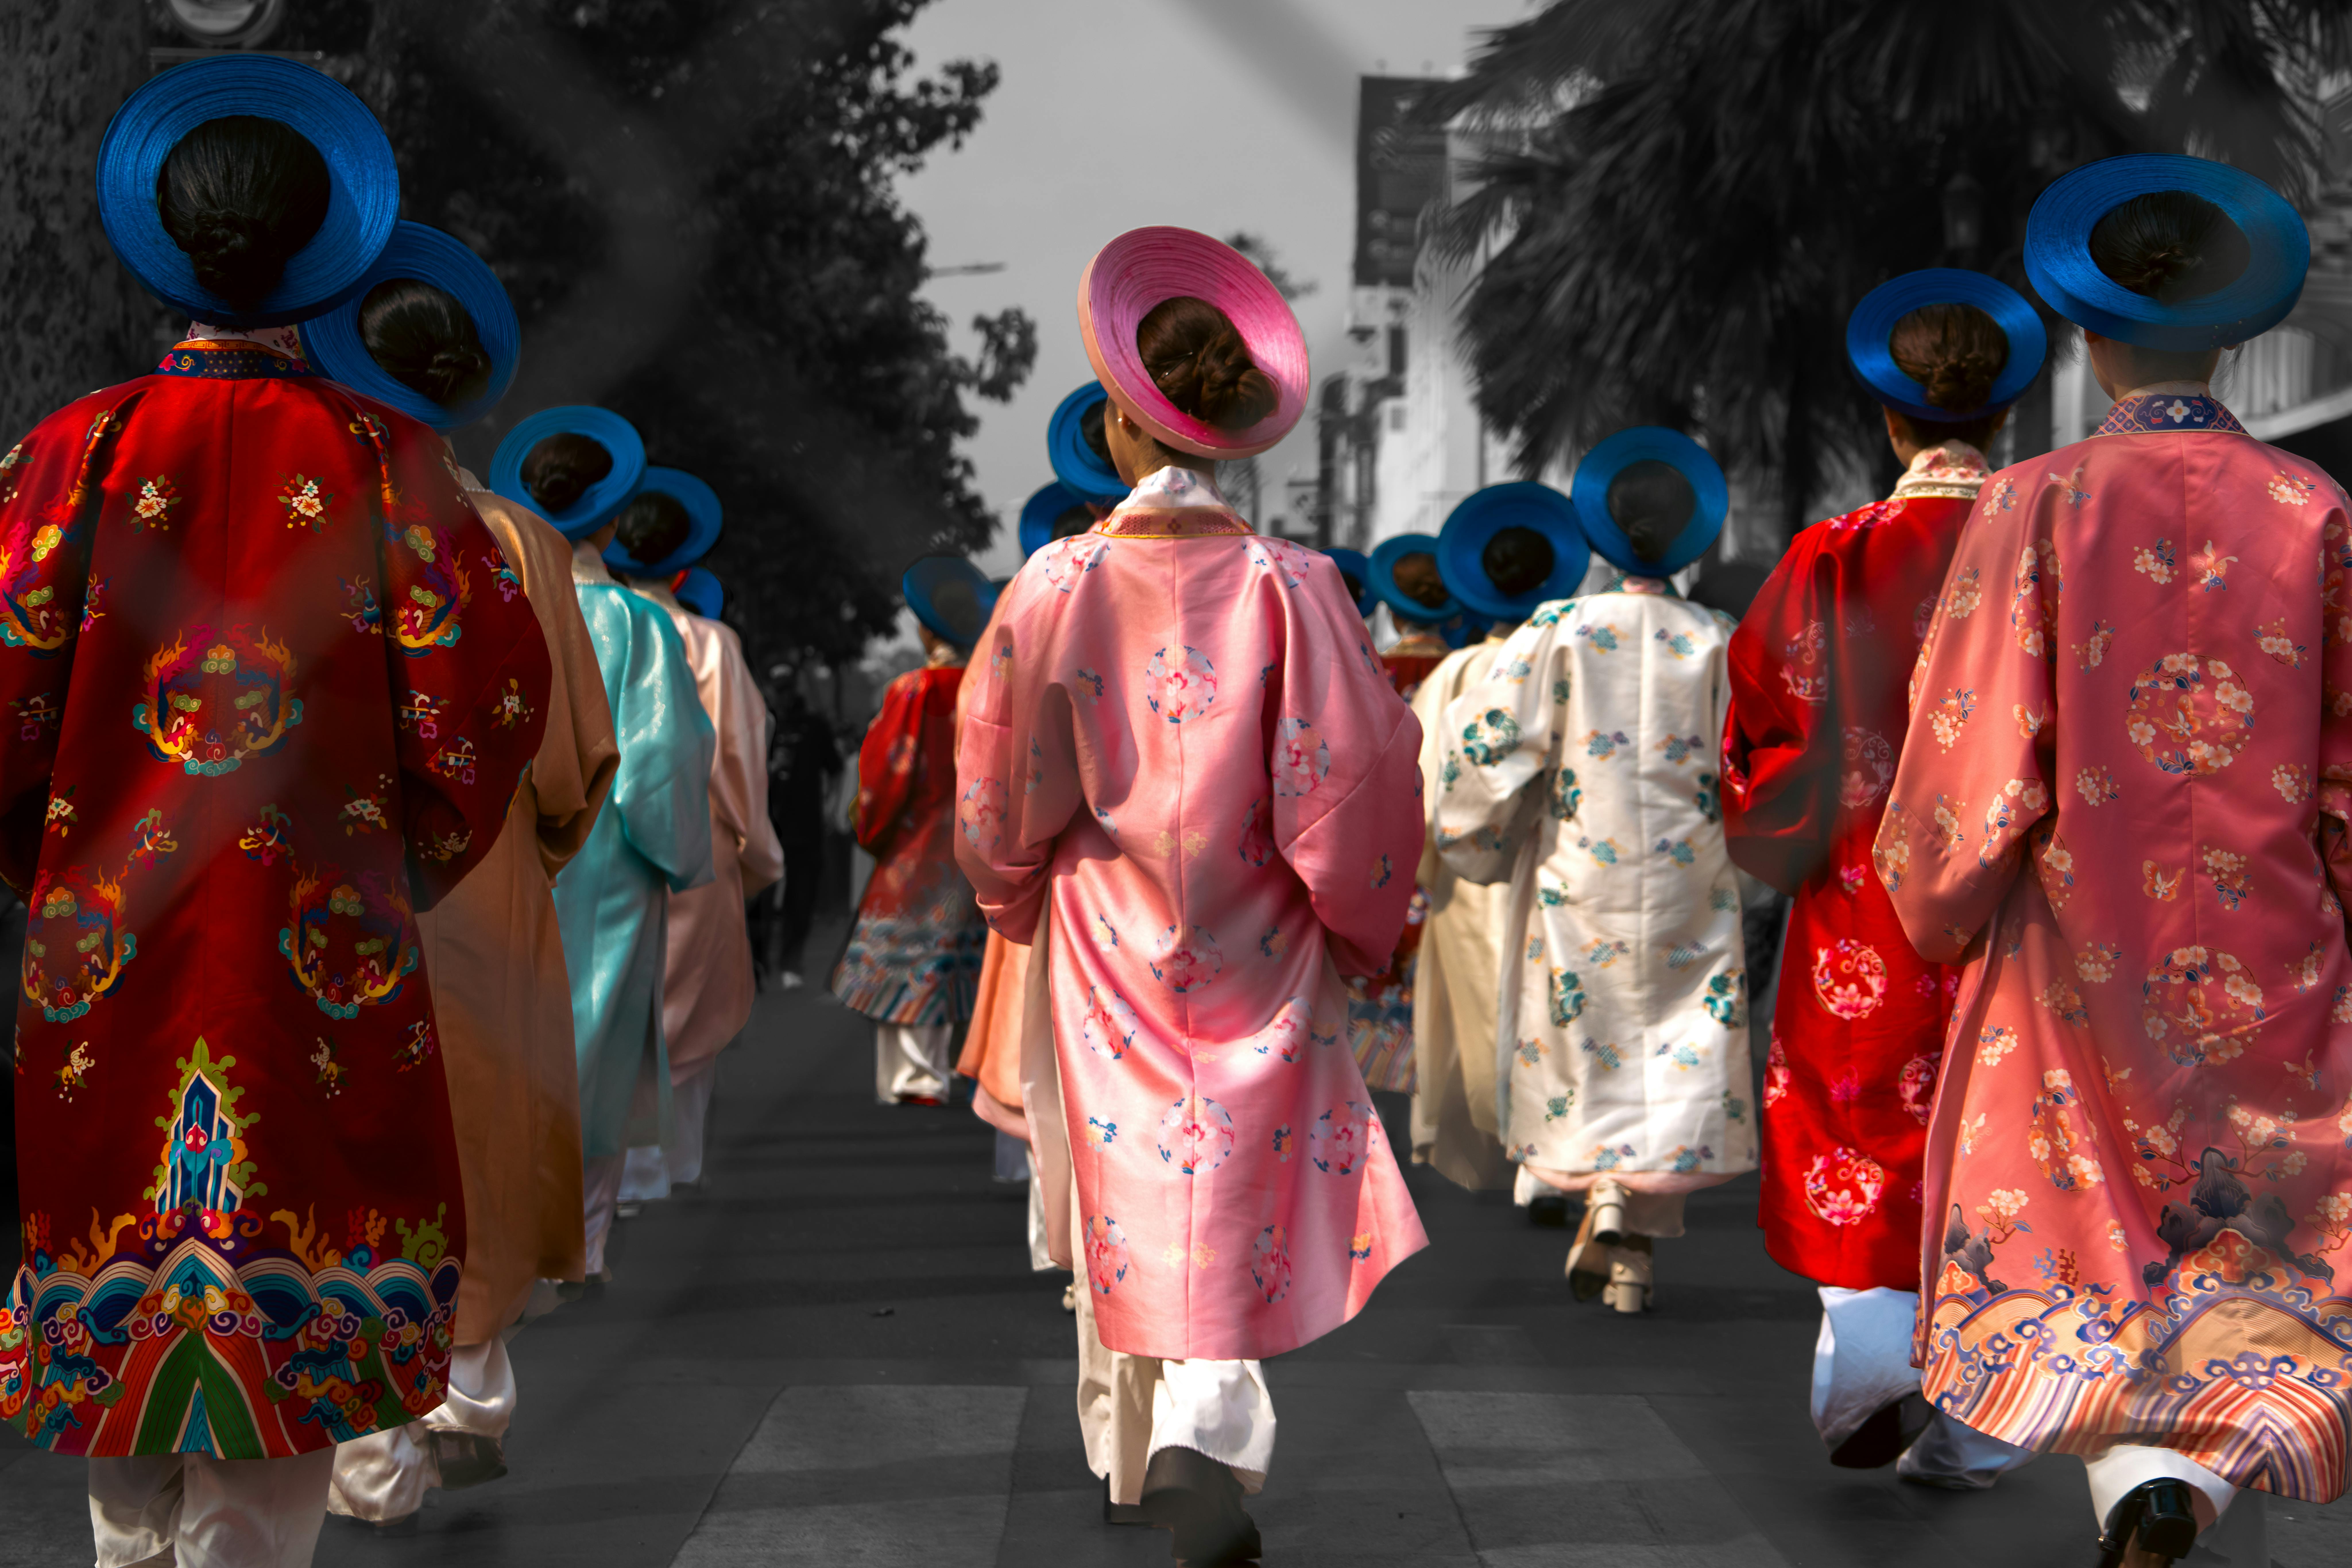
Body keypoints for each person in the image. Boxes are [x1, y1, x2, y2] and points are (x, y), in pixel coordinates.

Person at [0, 61, 554, 1567]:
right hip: (326, 961)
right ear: (328, 252)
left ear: (162, 246)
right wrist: (403, 858)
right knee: (292, 1370)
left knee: (119, 1333)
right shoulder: (398, 470)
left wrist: (47, 859)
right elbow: (492, 710)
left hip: (104, 955)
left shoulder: (61, 462)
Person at [1881, 156, 2343, 1568]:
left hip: (2082, 945)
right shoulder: (2316, 511)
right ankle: (2190, 1476)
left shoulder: (2033, 503)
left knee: (2087, 1227)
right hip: (2274, 941)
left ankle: (2141, 1469)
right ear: (2238, 331)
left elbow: (1970, 750)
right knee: (2250, 1228)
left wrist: (1940, 903)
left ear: (2087, 331)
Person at [956, 227, 1428, 1564]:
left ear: (1113, 419)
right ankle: (1201, 1424)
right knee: (1235, 1167)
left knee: (1128, 1172)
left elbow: (1000, 785)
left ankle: (1165, 1431)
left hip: (1109, 922)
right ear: (1232, 431)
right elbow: (1361, 781)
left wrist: (1008, 895)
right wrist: (1359, 923)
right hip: (1259, 923)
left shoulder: (1060, 585)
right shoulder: (1300, 587)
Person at [304, 226, 622, 1522]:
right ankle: (470, 1388)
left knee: (347, 1146)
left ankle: (368, 1453)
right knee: (480, 1138)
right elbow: (572, 761)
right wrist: (521, 853)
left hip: (328, 881)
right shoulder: (523, 542)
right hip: (484, 878)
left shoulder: (305, 521)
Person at [1721, 269, 2047, 1486]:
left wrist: (1788, 827)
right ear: (2005, 417)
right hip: (2022, 910)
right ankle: (1977, 1425)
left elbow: (1765, 729)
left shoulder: (1833, 556)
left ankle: (1865, 1364)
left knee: (1856, 1135)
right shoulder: (2042, 550)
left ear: (1890, 421)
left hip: (1863, 908)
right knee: (2002, 1146)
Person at [1436, 428, 1757, 1315]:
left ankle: (1604, 1196)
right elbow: (1753, 759)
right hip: (1692, 868)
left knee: (1589, 1036)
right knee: (1679, 1044)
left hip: (1585, 866)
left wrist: (1481, 836)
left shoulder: (1561, 630)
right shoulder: (1717, 638)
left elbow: (1487, 743)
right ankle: (1636, 1255)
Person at [490, 407, 715, 1284]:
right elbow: (660, 757)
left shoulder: (494, 604)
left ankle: (503, 1224)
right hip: (611, 851)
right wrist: (680, 857)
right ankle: (579, 1242)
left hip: (505, 849)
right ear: (613, 516)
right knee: (601, 1037)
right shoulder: (639, 625)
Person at [605, 473, 783, 1201]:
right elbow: (740, 756)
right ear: (684, 566)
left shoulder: (591, 625)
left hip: (598, 841)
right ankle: (666, 1165)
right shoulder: (709, 644)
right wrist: (758, 853)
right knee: (691, 1005)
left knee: (612, 995)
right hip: (698, 843)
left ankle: (606, 1172)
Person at [1409, 486, 1588, 1197]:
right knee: (1552, 1004)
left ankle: (1518, 1143)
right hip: (1553, 859)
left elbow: (1422, 788)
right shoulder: (1574, 655)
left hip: (1470, 868)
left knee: (1486, 1008)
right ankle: (1549, 1144)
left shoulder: (1454, 673)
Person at [833, 556, 994, 1104]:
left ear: (926, 629)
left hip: (916, 845)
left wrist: (870, 827)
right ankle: (940, 1072)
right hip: (975, 841)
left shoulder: (914, 690)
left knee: (909, 955)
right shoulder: (989, 684)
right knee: (952, 956)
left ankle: (912, 1079)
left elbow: (886, 774)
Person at [765, 676, 842, 988]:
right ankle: (758, 962)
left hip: (806, 826)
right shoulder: (767, 724)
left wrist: (829, 807)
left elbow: (836, 769)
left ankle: (791, 960)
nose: (785, 696)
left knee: (802, 898)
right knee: (762, 898)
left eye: (788, 689)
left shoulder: (815, 727)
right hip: (769, 826)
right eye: (779, 689)